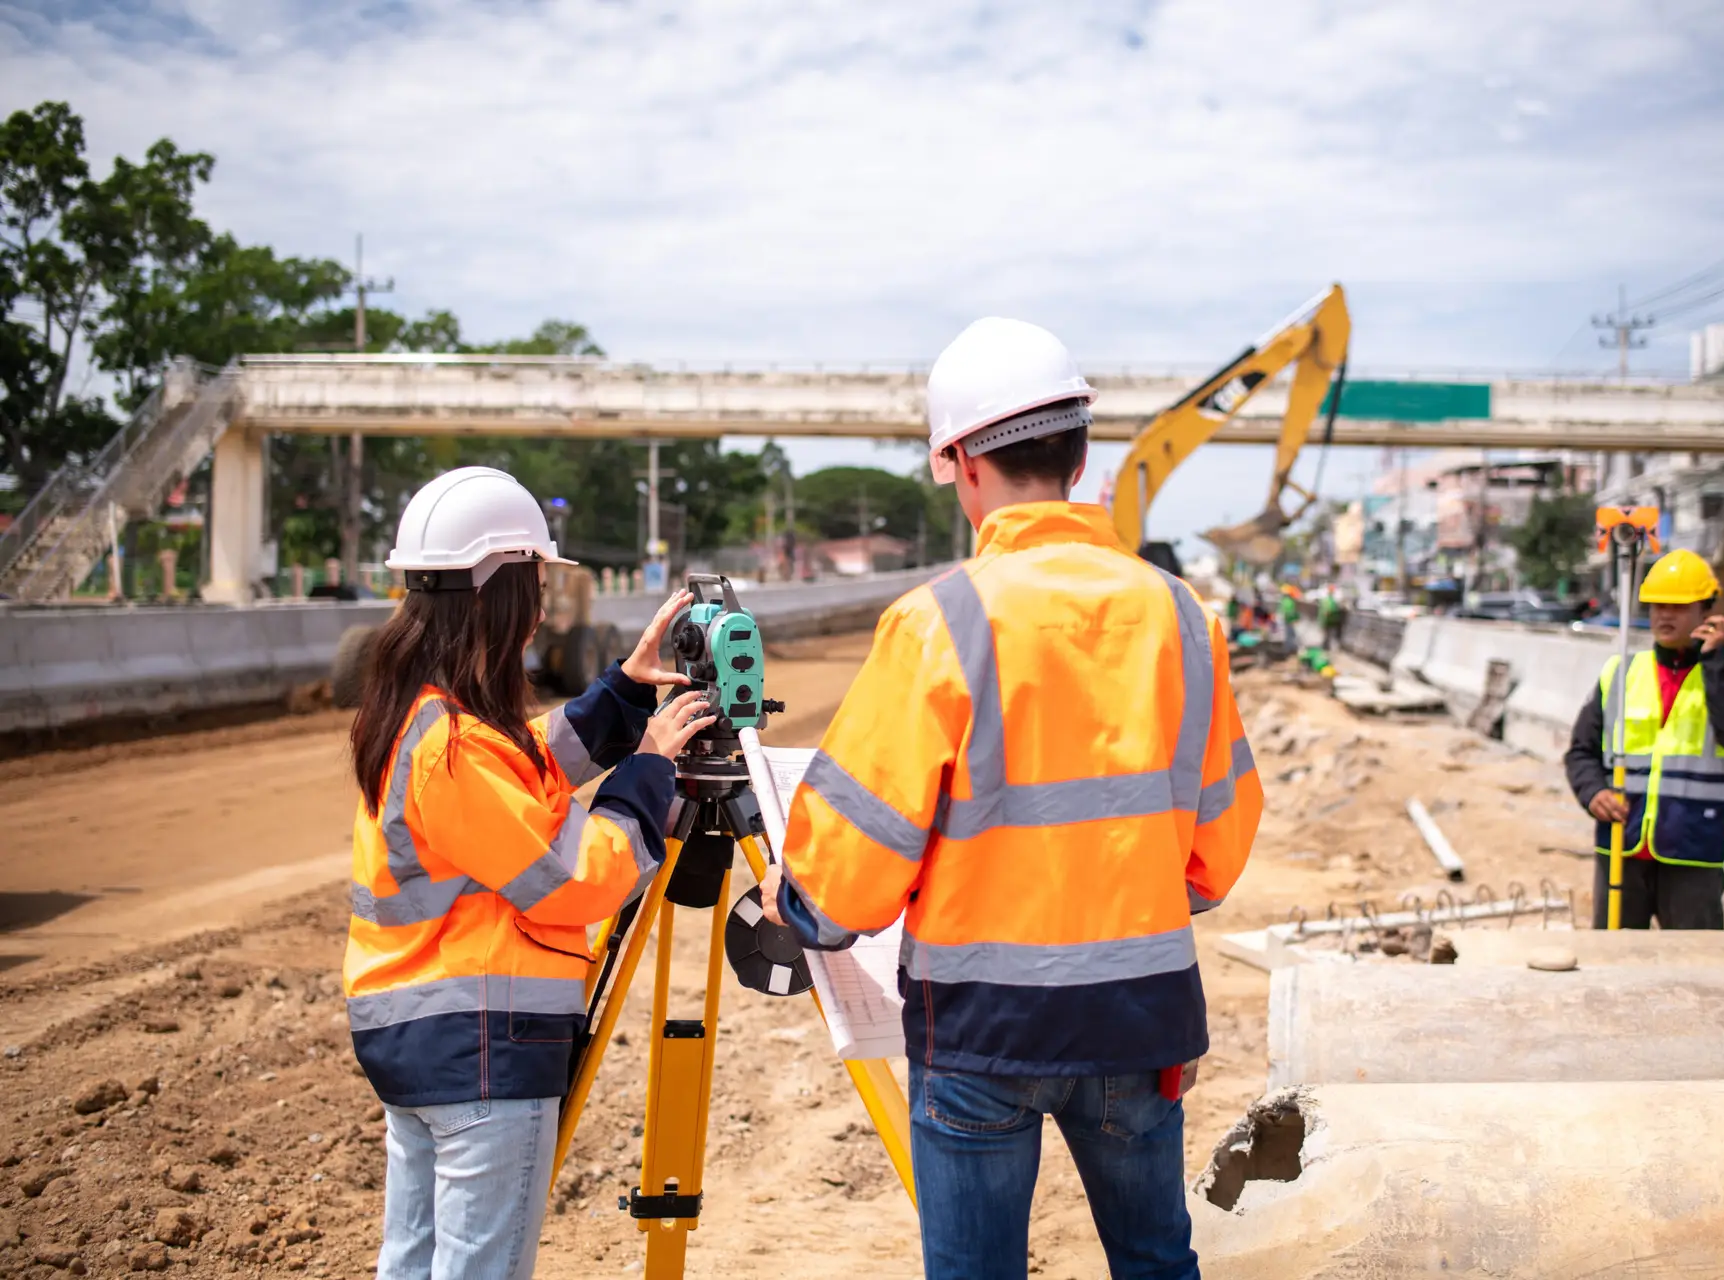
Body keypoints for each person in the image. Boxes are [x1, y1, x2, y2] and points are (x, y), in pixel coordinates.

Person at [759, 318, 1263, 1280]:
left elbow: (857, 851)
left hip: (982, 1030)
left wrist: (804, 913)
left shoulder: (937, 621)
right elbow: (1222, 837)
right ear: (1080, 454)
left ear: (958, 463)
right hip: (1142, 1015)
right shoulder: (1180, 615)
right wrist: (1144, 899)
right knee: (1158, 1261)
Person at [341, 466, 715, 1280]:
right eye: (536, 581)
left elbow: (522, 777)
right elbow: (573, 879)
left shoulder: (425, 716)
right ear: (498, 591)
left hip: (421, 1044)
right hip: (478, 1049)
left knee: (414, 1265)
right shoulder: (454, 744)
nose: (544, 603)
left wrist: (620, 692)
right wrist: (646, 773)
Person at [1563, 548, 1724, 930]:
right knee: (1615, 969)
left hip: (1692, 853)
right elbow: (1581, 751)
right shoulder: (1621, 672)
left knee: (1694, 969)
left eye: (1677, 606)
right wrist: (1593, 792)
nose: (1663, 615)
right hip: (1622, 847)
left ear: (1707, 613)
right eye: (1656, 606)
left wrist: (1714, 662)